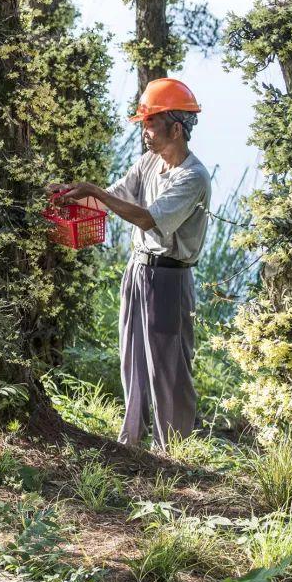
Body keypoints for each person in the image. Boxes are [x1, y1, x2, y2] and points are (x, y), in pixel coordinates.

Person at [49, 78, 211, 450]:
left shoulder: (193, 177)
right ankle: (132, 442)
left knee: (169, 366)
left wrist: (93, 190)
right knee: (134, 359)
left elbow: (147, 218)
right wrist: (73, 194)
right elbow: (116, 197)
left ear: (176, 127)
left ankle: (174, 449)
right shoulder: (149, 162)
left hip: (170, 276)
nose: (144, 133)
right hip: (138, 269)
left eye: (149, 124)